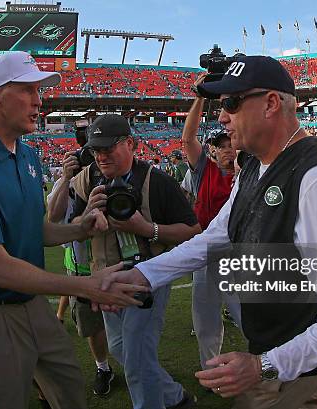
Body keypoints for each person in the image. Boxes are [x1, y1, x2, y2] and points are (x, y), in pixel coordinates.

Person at [102, 55, 317, 409]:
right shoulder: (253, 164)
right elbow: (216, 235)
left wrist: (264, 366)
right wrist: (143, 275)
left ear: (271, 104)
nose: (221, 117)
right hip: (277, 344)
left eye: (231, 103)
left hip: (291, 356)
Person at [0, 52, 147, 409]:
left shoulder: (27, 155)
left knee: (69, 387)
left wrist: (78, 228)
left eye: (39, 90)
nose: (39, 101)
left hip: (31, 300)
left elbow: (34, 231)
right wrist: (83, 285)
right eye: (27, 90)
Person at [69, 114, 201, 409]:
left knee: (138, 363)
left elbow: (193, 231)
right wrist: (86, 216)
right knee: (119, 348)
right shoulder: (89, 178)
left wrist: (147, 229)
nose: (101, 156)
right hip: (107, 278)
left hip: (147, 277)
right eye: (95, 150)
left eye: (108, 148)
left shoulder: (158, 182)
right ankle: (175, 397)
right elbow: (71, 225)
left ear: (131, 144)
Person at [181, 74, 242, 373]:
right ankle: (211, 368)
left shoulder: (249, 169)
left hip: (237, 254)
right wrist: (200, 97)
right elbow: (187, 138)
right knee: (204, 316)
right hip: (206, 251)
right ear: (213, 150)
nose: (227, 148)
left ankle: (271, 364)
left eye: (231, 142)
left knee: (246, 313)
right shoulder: (203, 169)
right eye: (221, 145)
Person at [46, 150, 114, 396]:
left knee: (125, 325)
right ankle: (103, 367)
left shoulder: (112, 181)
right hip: (80, 269)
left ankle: (133, 365)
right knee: (92, 327)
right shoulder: (65, 184)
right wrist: (66, 178)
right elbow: (52, 219)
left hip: (112, 266)